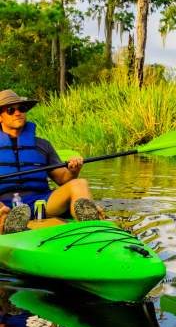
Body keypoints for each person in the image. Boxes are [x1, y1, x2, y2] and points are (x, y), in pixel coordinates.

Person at [0, 89, 104, 234]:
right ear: (1, 118)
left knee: (79, 184)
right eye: (10, 110)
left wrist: (73, 171)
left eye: (22, 109)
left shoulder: (43, 145)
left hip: (40, 202)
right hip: (4, 205)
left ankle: (90, 223)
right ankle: (9, 225)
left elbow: (63, 179)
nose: (18, 113)